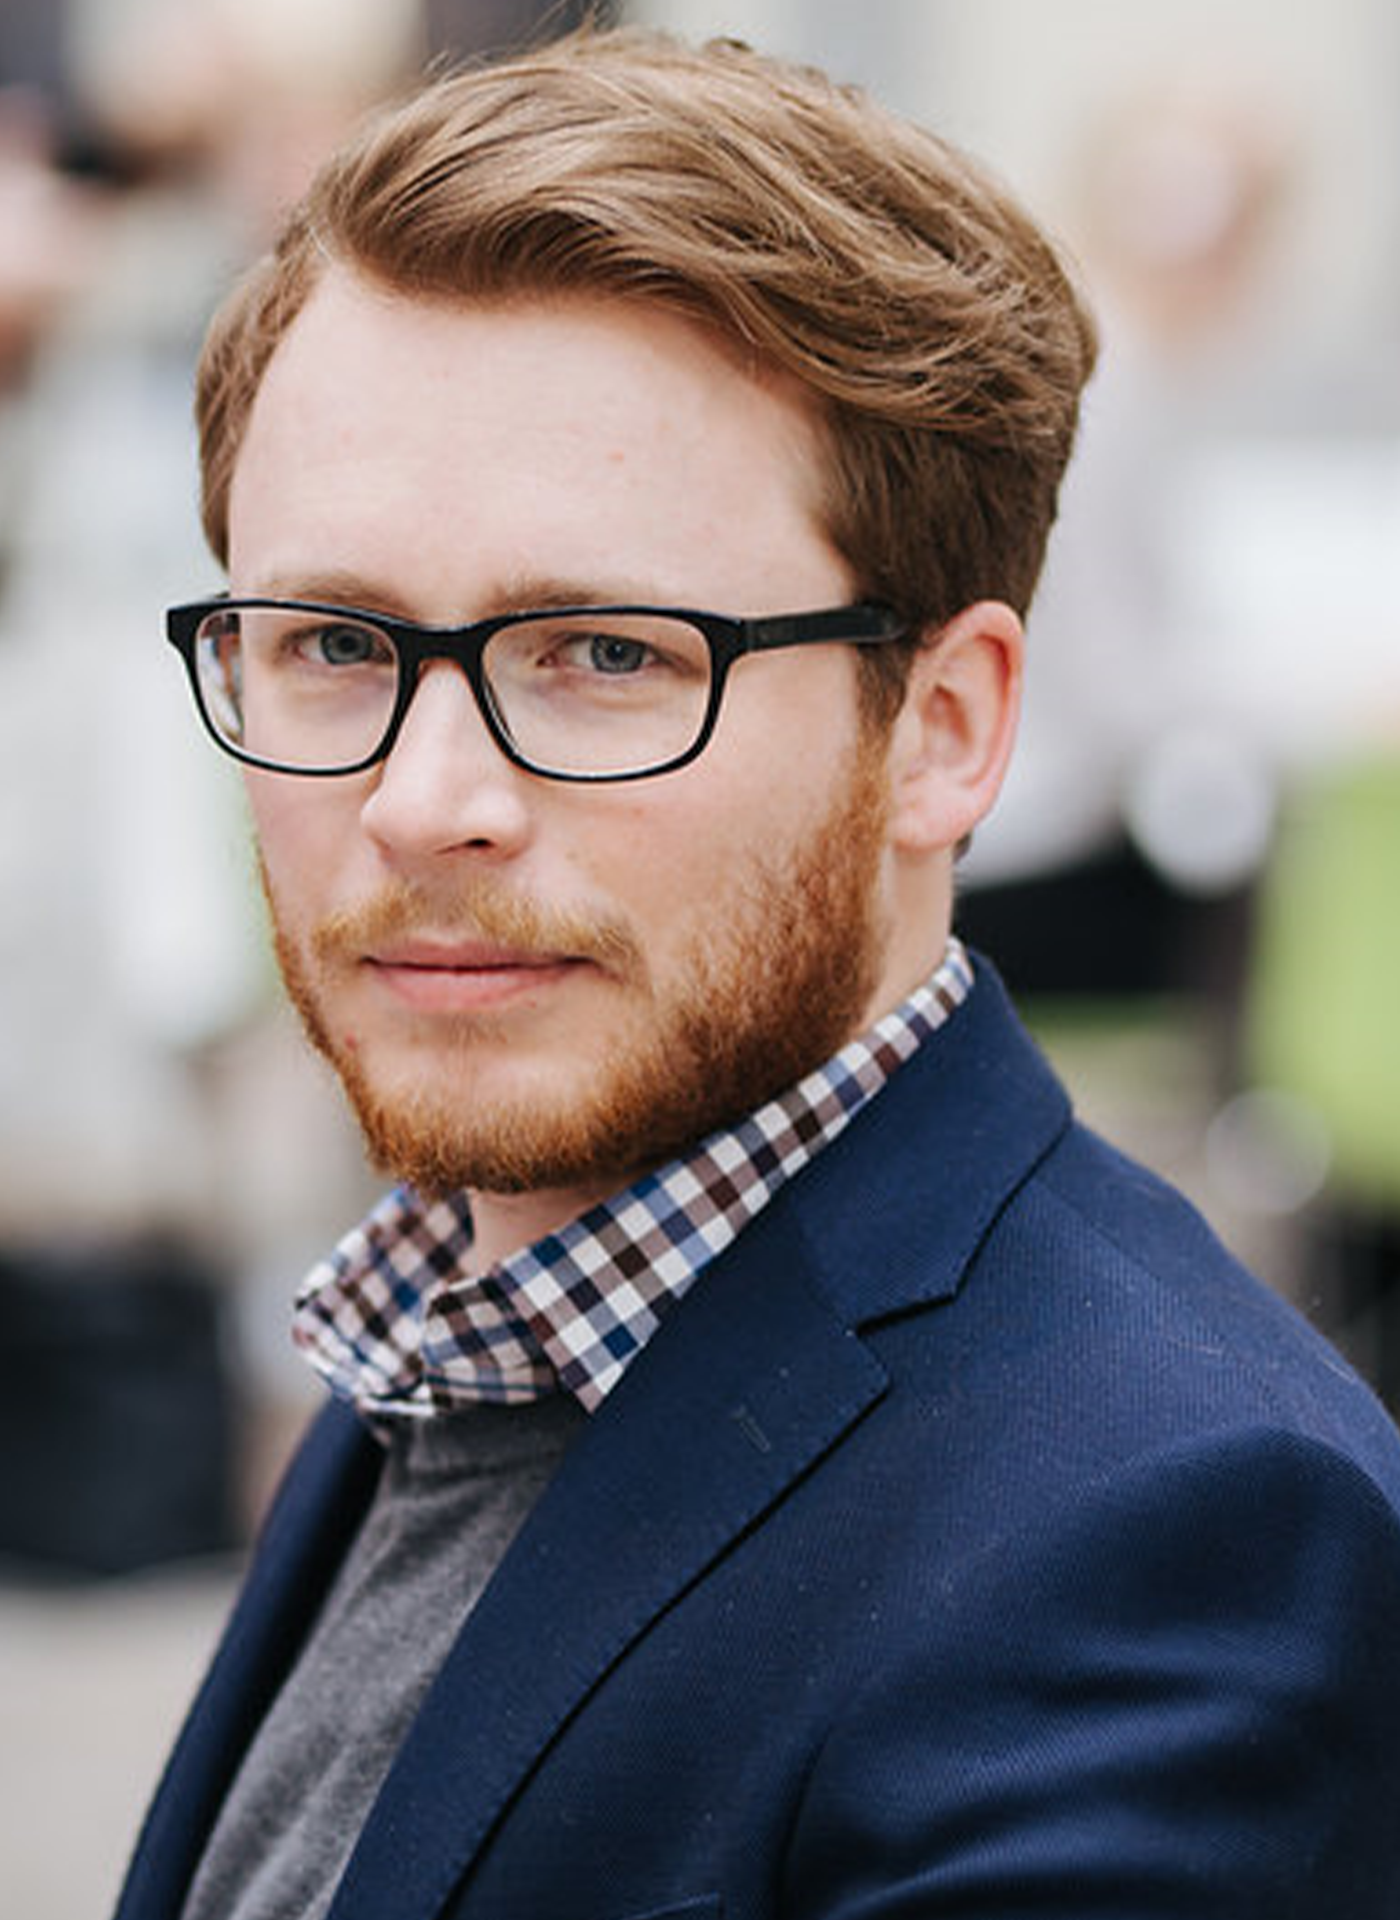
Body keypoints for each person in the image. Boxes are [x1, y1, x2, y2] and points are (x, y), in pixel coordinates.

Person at [114, 27, 1400, 1920]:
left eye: (607, 656)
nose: (422, 801)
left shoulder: (1165, 1541)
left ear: (943, 731)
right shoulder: (459, 1322)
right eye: (329, 642)